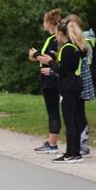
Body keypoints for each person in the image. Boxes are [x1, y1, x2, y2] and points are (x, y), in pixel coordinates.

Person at [34, 18, 87, 163]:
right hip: (75, 85)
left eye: (57, 34)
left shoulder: (67, 48)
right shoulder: (76, 47)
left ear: (61, 34)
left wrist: (49, 62)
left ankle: (71, 154)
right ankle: (75, 152)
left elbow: (62, 69)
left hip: (69, 87)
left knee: (70, 121)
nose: (55, 37)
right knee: (74, 120)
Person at [28, 8, 62, 154]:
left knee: (53, 111)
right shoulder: (51, 39)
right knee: (51, 111)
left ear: (48, 23)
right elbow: (43, 58)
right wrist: (36, 57)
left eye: (44, 21)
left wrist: (36, 55)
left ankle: (52, 144)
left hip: (52, 79)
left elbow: (51, 59)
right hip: (47, 78)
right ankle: (51, 141)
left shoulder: (56, 39)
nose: (43, 24)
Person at [65, 14, 96, 157]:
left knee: (78, 112)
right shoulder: (79, 42)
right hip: (80, 80)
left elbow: (85, 61)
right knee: (77, 112)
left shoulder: (81, 43)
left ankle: (82, 143)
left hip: (79, 79)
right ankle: (79, 143)